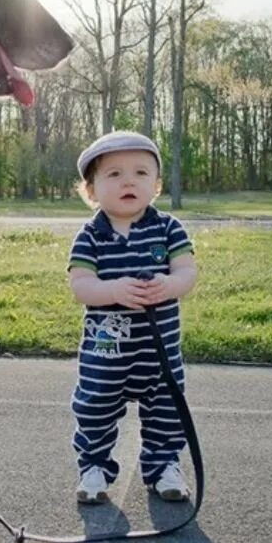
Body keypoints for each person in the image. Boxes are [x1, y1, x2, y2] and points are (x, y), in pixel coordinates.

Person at [67, 131, 198, 504]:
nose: (128, 181)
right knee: (94, 409)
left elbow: (188, 273)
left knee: (167, 411)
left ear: (155, 186)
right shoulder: (91, 236)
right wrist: (112, 291)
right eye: (114, 174)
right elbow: (81, 285)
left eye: (141, 173)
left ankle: (163, 466)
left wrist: (170, 285)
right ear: (90, 191)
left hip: (159, 353)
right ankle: (93, 467)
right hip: (105, 354)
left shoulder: (169, 229)